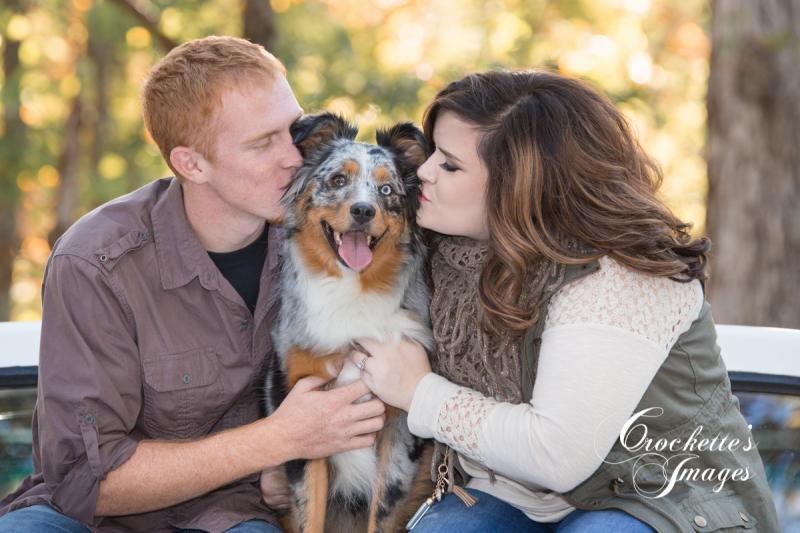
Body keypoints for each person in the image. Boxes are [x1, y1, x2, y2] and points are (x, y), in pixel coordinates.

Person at [351, 70, 779, 532]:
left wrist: (419, 392)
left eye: (450, 165)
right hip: (512, 494)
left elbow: (555, 454)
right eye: (434, 151)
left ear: (520, 186)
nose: (423, 172)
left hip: (660, 497)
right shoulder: (441, 253)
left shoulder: (622, 276)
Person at [0, 36, 386, 533]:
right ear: (192, 164)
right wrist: (278, 440)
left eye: (293, 129)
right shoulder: (95, 262)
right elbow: (86, 482)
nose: (295, 156)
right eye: (262, 142)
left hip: (234, 514)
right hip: (86, 519)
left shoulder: (332, 236)